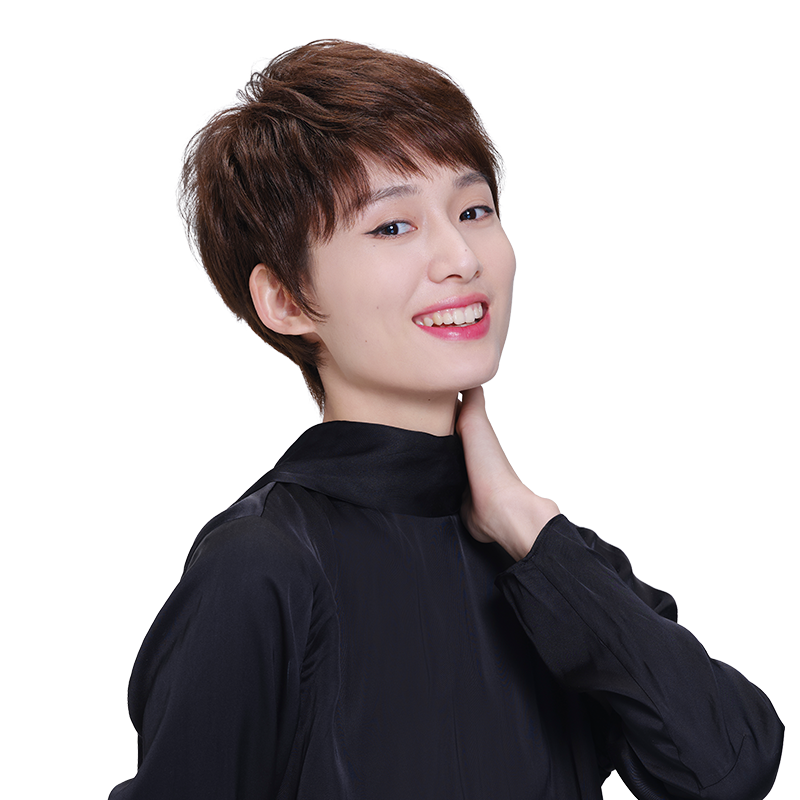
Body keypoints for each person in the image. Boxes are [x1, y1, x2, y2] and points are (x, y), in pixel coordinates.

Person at [108, 40, 783, 799]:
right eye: (392, 227)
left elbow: (727, 767)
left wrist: (528, 525)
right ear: (286, 301)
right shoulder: (259, 566)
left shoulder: (544, 559)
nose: (462, 256)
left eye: (473, 210)